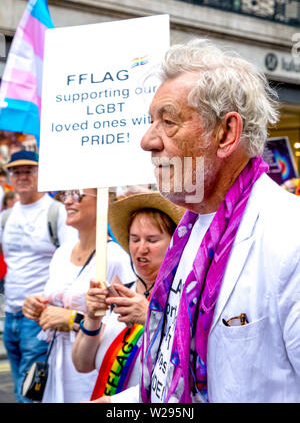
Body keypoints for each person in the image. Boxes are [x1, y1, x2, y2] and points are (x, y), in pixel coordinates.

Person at [103, 39, 300, 403]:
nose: (147, 141)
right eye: (151, 122)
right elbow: (174, 373)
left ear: (226, 133)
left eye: (168, 121)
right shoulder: (189, 230)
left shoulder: (290, 238)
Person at [22, 188, 136, 403]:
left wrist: (73, 319)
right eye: (65, 195)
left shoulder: (116, 258)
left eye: (78, 195)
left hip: (90, 372)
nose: (67, 201)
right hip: (57, 364)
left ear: (103, 201)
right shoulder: (62, 253)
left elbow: (126, 330)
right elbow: (55, 302)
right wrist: (36, 307)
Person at [72, 191, 185, 402]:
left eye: (152, 240)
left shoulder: (183, 302)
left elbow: (185, 375)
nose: (141, 249)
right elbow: (82, 364)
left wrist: (151, 317)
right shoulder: (120, 293)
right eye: (134, 239)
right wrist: (92, 318)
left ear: (174, 244)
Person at [0, 149, 78, 403]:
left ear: (40, 174)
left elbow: (72, 261)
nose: (21, 176)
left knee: (29, 395)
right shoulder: (6, 217)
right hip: (10, 314)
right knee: (19, 390)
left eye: (28, 171)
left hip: (37, 318)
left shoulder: (57, 213)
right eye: (16, 171)